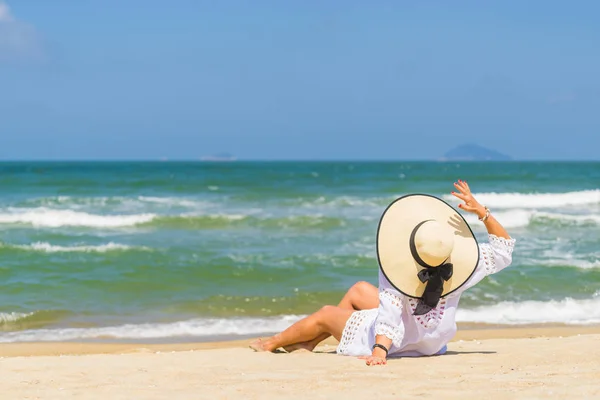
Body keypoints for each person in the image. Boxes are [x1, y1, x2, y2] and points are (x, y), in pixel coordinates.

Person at [250, 180, 516, 366]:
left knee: (326, 313)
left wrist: (379, 350)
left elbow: (390, 313)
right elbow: (503, 252)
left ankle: (272, 343)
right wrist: (482, 213)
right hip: (434, 340)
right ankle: (311, 344)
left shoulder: (398, 269)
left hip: (403, 340)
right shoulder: (460, 267)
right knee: (358, 291)